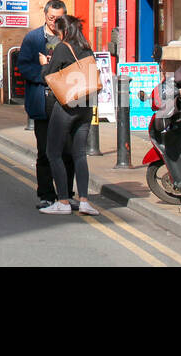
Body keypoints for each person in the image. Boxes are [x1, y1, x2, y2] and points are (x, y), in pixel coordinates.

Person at [39, 15, 101, 216]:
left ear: (64, 31)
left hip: (68, 106)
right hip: (86, 105)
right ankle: (84, 201)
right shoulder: (87, 48)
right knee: (79, 154)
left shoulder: (63, 48)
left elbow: (48, 75)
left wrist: (43, 63)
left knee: (54, 152)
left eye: (58, 32)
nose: (57, 35)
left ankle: (63, 201)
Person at [18, 0, 75, 210]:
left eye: (58, 19)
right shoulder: (33, 38)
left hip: (66, 104)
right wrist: (47, 76)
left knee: (67, 152)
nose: (54, 22)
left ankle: (66, 194)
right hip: (41, 104)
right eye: (51, 18)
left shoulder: (71, 38)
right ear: (45, 15)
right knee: (45, 152)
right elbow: (23, 65)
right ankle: (46, 194)